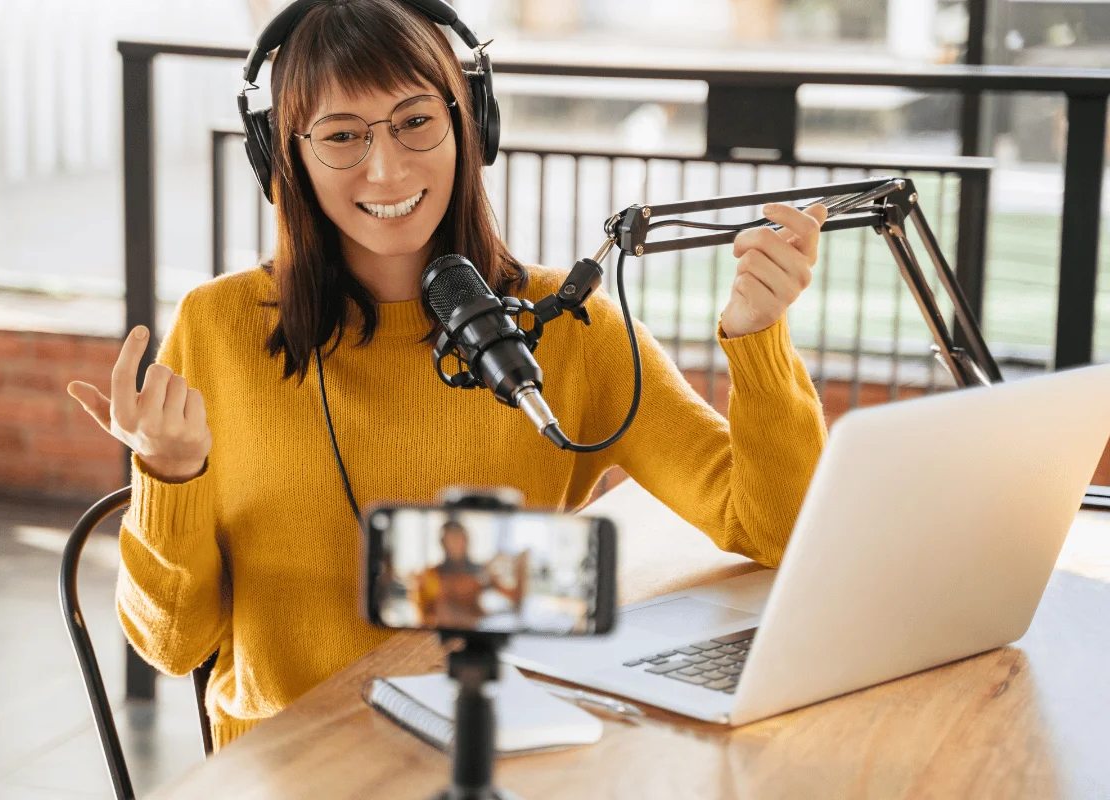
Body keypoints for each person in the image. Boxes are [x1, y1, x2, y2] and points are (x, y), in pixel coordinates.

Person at [65, 0, 828, 751]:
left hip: (502, 746)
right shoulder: (219, 328)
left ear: (471, 123)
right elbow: (169, 645)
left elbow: (775, 531)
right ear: (282, 154)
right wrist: (168, 473)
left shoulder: (572, 329)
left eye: (416, 121)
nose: (386, 165)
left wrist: (757, 337)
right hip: (292, 767)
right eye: (342, 135)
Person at [414, 521, 525, 629]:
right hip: (443, 635)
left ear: (466, 541)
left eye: (460, 539)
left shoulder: (480, 572)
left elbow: (514, 597)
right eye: (452, 539)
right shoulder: (431, 575)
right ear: (443, 543)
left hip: (476, 634)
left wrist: (520, 566)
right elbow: (423, 616)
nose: (457, 544)